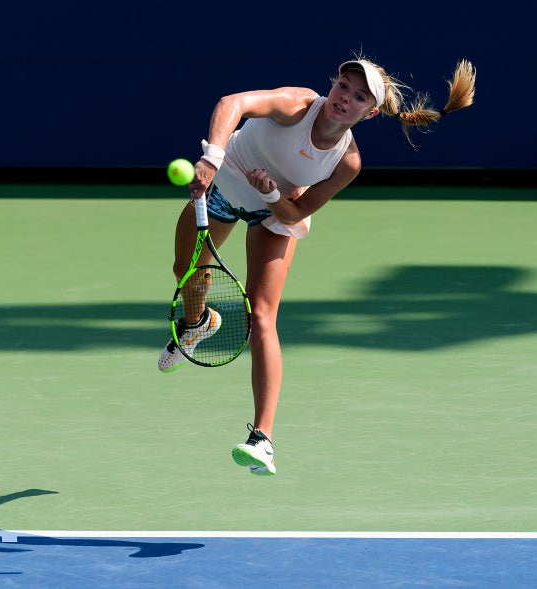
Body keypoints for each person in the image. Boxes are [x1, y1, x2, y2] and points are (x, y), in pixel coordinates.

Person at [158, 55, 476, 476]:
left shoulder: (347, 163)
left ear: (370, 111)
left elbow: (296, 212)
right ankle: (197, 324)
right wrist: (212, 157)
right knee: (186, 270)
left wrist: (271, 194)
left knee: (262, 317)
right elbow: (230, 103)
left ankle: (263, 440)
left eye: (359, 96)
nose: (345, 97)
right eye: (344, 85)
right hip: (225, 180)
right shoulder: (296, 105)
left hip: (275, 210)